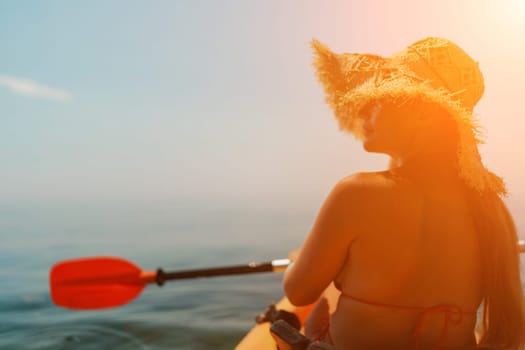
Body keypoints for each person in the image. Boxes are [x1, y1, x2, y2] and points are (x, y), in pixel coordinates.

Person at [283, 37, 525, 350]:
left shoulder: (356, 193)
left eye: (376, 101)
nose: (362, 114)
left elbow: (298, 292)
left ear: (423, 113)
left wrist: (300, 259)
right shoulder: (492, 210)